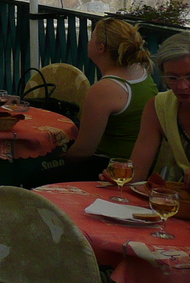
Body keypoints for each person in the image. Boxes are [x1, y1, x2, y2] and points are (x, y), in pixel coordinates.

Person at [24, 18, 156, 187]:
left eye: (92, 37)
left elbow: (83, 152)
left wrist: (51, 158)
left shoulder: (105, 89)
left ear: (101, 48)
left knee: (31, 178)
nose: (89, 41)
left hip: (110, 168)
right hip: (139, 163)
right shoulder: (139, 70)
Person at [130, 32, 190, 182]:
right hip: (175, 201)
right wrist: (120, 177)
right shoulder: (160, 107)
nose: (182, 86)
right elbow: (137, 172)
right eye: (172, 78)